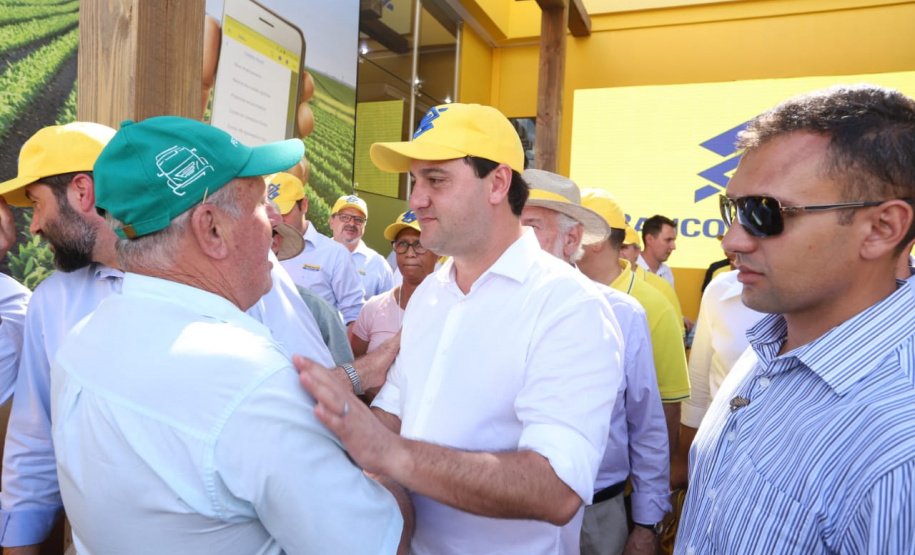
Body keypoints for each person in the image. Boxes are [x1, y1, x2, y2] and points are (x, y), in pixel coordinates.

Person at [0, 122, 396, 552]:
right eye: (262, 205)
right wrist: (397, 465)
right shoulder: (256, 380)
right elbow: (370, 541)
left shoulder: (78, 342)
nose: (275, 226)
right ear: (211, 229)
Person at [296, 102, 622, 554]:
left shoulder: (569, 307)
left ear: (499, 183)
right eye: (415, 181)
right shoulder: (432, 293)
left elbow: (557, 489)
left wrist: (390, 454)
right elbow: (393, 416)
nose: (416, 199)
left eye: (436, 180)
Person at [676, 84, 915, 553]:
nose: (731, 241)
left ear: (882, 228)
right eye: (731, 209)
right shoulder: (773, 337)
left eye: (764, 214)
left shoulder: (898, 449)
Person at [521, 169, 670, 555]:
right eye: (511, 223)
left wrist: (647, 525)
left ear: (572, 239)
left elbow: (647, 426)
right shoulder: (484, 309)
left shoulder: (623, 315)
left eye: (531, 225)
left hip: (597, 515)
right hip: (504, 516)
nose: (514, 238)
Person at [578, 190, 690, 467]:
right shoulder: (554, 292)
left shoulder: (654, 304)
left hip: (619, 490)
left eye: (570, 229)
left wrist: (651, 489)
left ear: (595, 240)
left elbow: (667, 405)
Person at [672, 269, 763, 488]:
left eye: (758, 232)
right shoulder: (719, 291)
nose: (732, 244)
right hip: (715, 457)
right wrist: (684, 458)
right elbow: (699, 380)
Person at [268, 172, 364, 325]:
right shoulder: (259, 251)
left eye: (284, 211)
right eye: (271, 212)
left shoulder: (334, 254)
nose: (278, 219)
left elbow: (353, 315)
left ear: (304, 205)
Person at [267, 201, 353, 366]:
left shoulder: (315, 309)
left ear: (275, 242)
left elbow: (343, 378)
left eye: (256, 231)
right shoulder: (215, 300)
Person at [351, 210, 437, 358]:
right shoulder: (373, 308)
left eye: (420, 244)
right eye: (402, 243)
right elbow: (354, 365)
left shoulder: (452, 309)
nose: (410, 253)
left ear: (438, 251)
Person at [329, 194, 394, 300]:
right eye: (345, 217)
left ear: (364, 225)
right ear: (331, 221)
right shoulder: (316, 256)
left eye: (359, 219)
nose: (351, 223)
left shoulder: (379, 265)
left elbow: (387, 309)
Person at [637, 215, 678, 287]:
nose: (673, 247)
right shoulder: (630, 269)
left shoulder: (667, 272)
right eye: (668, 240)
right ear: (649, 239)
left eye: (673, 241)